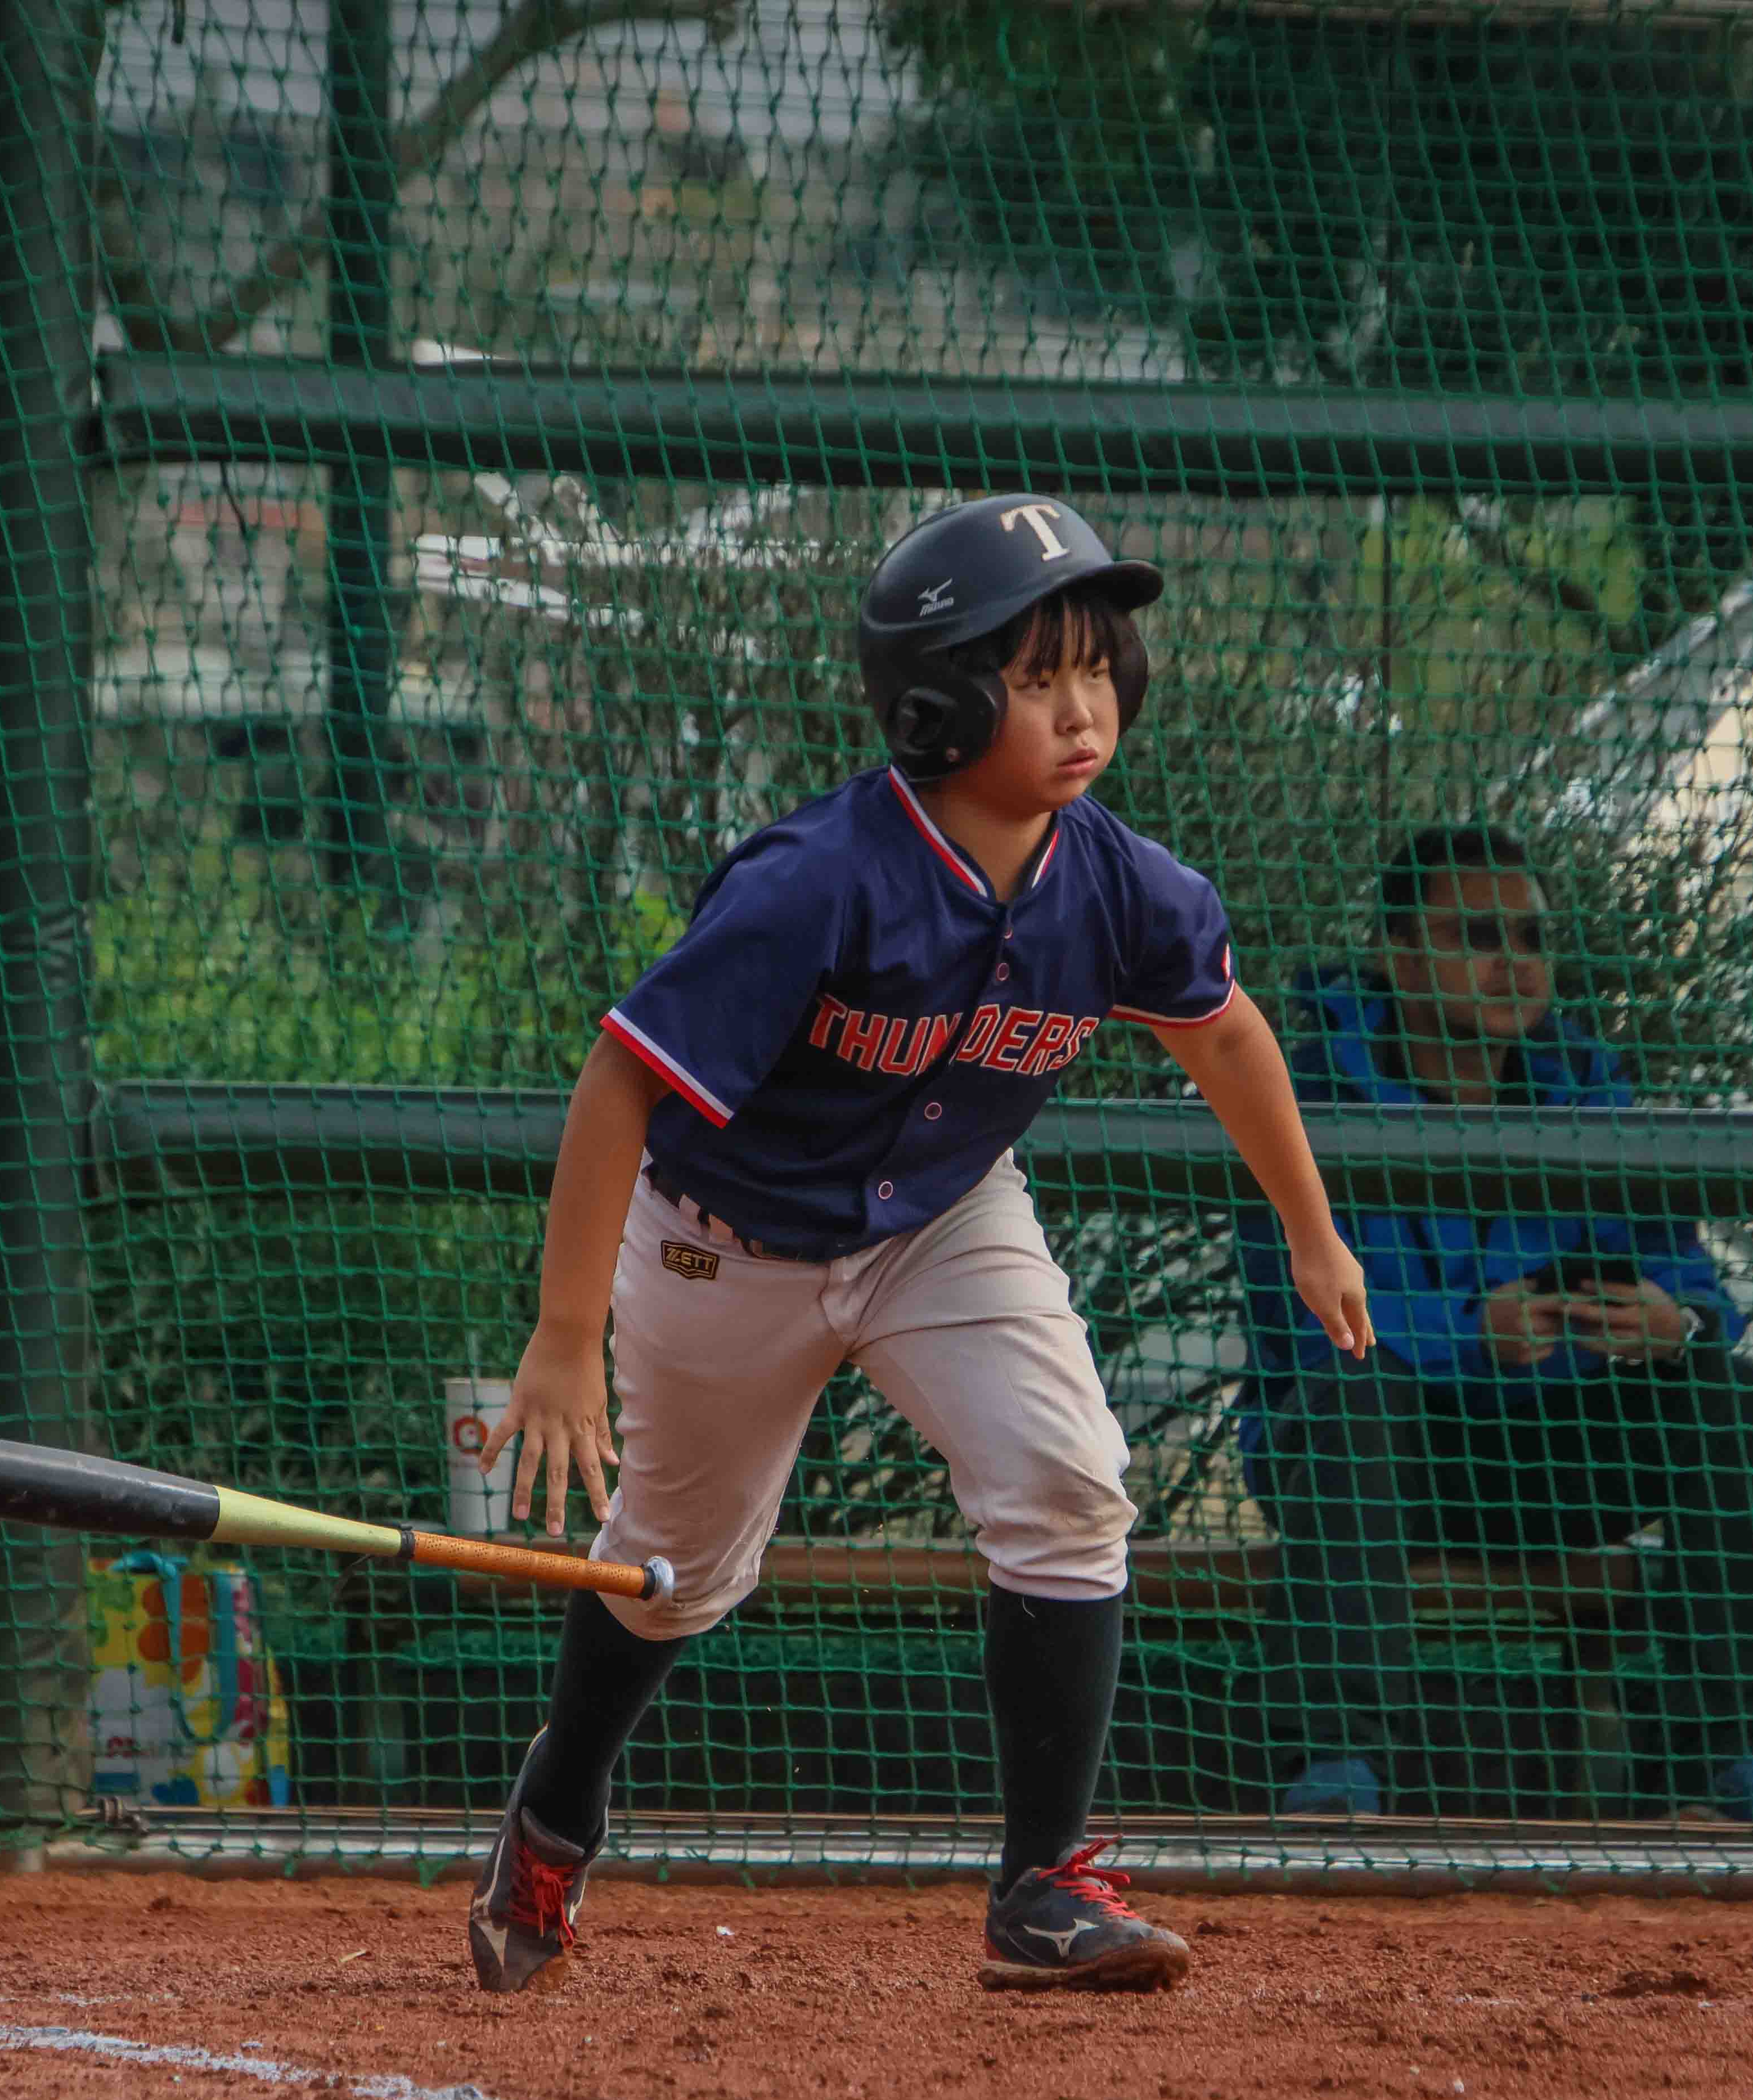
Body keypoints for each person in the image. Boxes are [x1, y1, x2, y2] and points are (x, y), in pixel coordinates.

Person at [468, 496, 1373, 1994]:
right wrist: (565, 1336)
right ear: (935, 704)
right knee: (680, 1571)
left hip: (945, 1217)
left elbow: (1223, 1032)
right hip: (724, 1247)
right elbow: (623, 1077)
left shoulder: (1123, 884)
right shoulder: (820, 877)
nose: (1083, 709)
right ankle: (557, 1813)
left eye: (1100, 668)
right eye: (1035, 677)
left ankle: (1043, 1885)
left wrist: (1311, 1229)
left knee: (1069, 1483)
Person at [1237, 826, 1753, 1825]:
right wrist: (1474, 1336)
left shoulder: (1591, 1089)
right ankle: (1337, 1768)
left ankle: (1727, 1764)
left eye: (1531, 937)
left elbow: (1689, 1278)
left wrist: (1673, 1321)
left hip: (1556, 1458)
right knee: (1354, 1388)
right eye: (1476, 935)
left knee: (1729, 1393)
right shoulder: (1300, 1097)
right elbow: (1299, 1319)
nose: (1514, 962)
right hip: (1384, 1467)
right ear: (1397, 955)